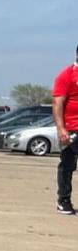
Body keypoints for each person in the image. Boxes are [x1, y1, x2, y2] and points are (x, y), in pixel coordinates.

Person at [52, 45, 78, 215]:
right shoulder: (67, 75)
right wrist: (62, 129)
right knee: (68, 166)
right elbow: (58, 103)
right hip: (72, 128)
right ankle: (64, 200)